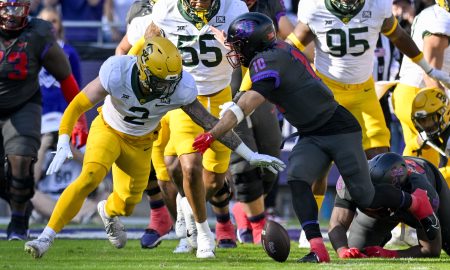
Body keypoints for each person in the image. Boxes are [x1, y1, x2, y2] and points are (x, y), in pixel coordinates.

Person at [193, 12, 438, 263]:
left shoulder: (267, 63)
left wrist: (213, 133)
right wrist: (226, 38)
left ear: (252, 45)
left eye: (237, 46)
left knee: (366, 197)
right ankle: (317, 249)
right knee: (298, 178)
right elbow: (251, 69)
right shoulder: (276, 47)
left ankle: (414, 201)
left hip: (340, 129)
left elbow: (245, 105)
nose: (234, 51)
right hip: (312, 133)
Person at [23, 36, 285, 259]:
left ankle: (107, 211)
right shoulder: (118, 71)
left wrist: (249, 154)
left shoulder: (178, 87)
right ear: (143, 70)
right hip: (109, 130)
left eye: (172, 80)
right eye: (161, 80)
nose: (168, 87)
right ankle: (46, 237)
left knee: (126, 203)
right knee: (90, 176)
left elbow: (211, 124)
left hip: (141, 143)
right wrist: (63, 138)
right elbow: (79, 104)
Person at [286, 0, 450, 248]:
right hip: (327, 91)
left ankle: (389, 226)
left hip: (364, 91)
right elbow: (289, 48)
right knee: (319, 164)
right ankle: (309, 230)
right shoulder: (315, 6)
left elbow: (398, 35)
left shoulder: (377, 5)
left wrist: (427, 68)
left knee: (385, 164)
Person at [136, 0, 249, 252]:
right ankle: (202, 235)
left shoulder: (234, 8)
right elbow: (149, 44)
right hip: (185, 98)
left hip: (221, 98)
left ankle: (187, 209)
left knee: (214, 180)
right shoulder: (166, 9)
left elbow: (249, 56)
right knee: (189, 166)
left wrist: (232, 48)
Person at [0, 0, 86, 241]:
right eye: (6, 8)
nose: (11, 14)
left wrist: (78, 119)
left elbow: (65, 77)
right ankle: (22, 204)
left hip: (23, 105)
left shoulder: (38, 33)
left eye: (17, 8)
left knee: (21, 160)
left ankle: (18, 222)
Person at [228, 0, 291, 245]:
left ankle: (244, 210)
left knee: (271, 151)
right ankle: (255, 223)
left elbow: (288, 32)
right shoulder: (222, 4)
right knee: (242, 157)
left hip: (260, 77)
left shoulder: (270, 2)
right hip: (229, 81)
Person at [328, 152, 449, 258]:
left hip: (424, 184)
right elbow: (337, 223)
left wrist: (389, 254)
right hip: (392, 207)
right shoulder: (352, 181)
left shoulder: (421, 193)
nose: (373, 202)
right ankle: (382, 233)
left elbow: (431, 250)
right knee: (357, 249)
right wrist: (342, 250)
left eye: (380, 198)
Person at [392, 0, 450, 166]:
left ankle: (412, 189)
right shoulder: (442, 21)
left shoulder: (435, 13)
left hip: (412, 93)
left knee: (423, 165)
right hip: (423, 96)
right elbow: (430, 74)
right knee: (427, 160)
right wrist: (446, 109)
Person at [412, 87, 450, 185]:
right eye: (422, 121)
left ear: (444, 113)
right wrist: (416, 144)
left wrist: (436, 176)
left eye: (431, 118)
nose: (427, 125)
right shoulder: (422, 138)